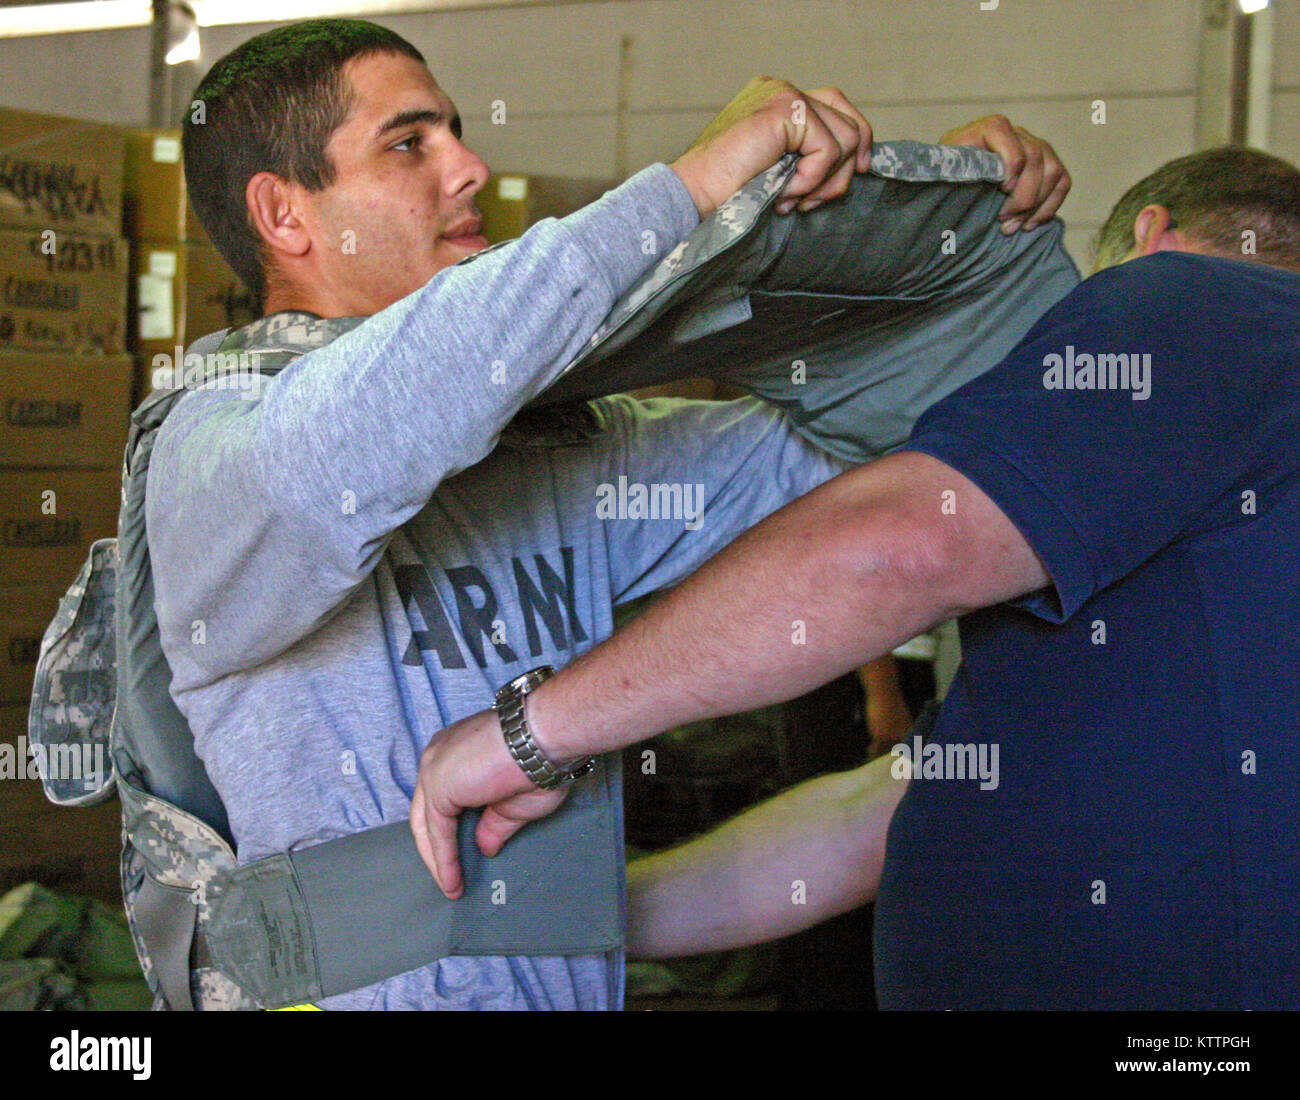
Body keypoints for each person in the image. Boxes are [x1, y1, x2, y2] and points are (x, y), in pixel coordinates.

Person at [154, 18, 1066, 1009]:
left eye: (456, 130)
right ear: (284, 215)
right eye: (410, 142)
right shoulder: (211, 460)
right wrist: (692, 193)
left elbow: (869, 447)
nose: (468, 166)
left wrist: (935, 231)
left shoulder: (555, 462)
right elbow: (379, 410)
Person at [412, 145, 1300, 1009]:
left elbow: (903, 545)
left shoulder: (1196, 298)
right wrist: (575, 914)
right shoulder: (1218, 527)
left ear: (1149, 234)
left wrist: (534, 731)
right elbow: (895, 815)